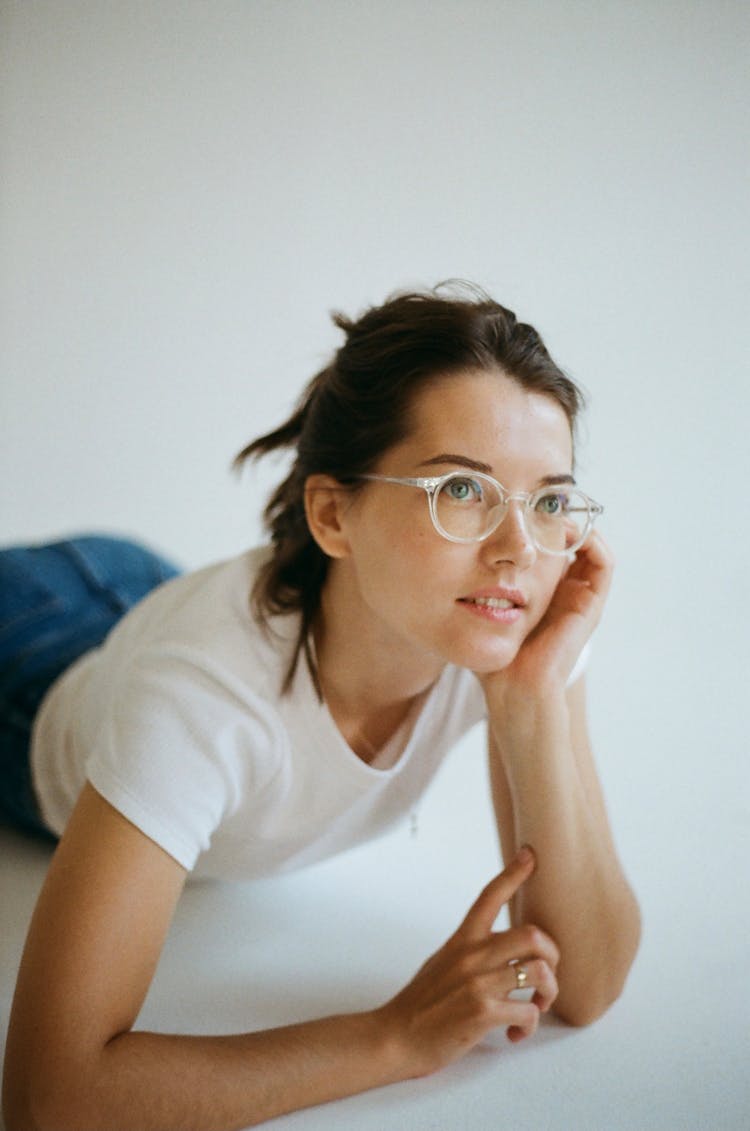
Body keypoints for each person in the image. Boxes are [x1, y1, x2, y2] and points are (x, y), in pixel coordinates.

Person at [2, 283, 640, 1130]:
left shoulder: (514, 619)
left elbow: (586, 985)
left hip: (148, 599)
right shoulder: (201, 695)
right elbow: (52, 1095)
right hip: (28, 651)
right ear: (334, 513)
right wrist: (395, 1037)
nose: (519, 550)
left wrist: (532, 704)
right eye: (462, 491)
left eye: (550, 500)